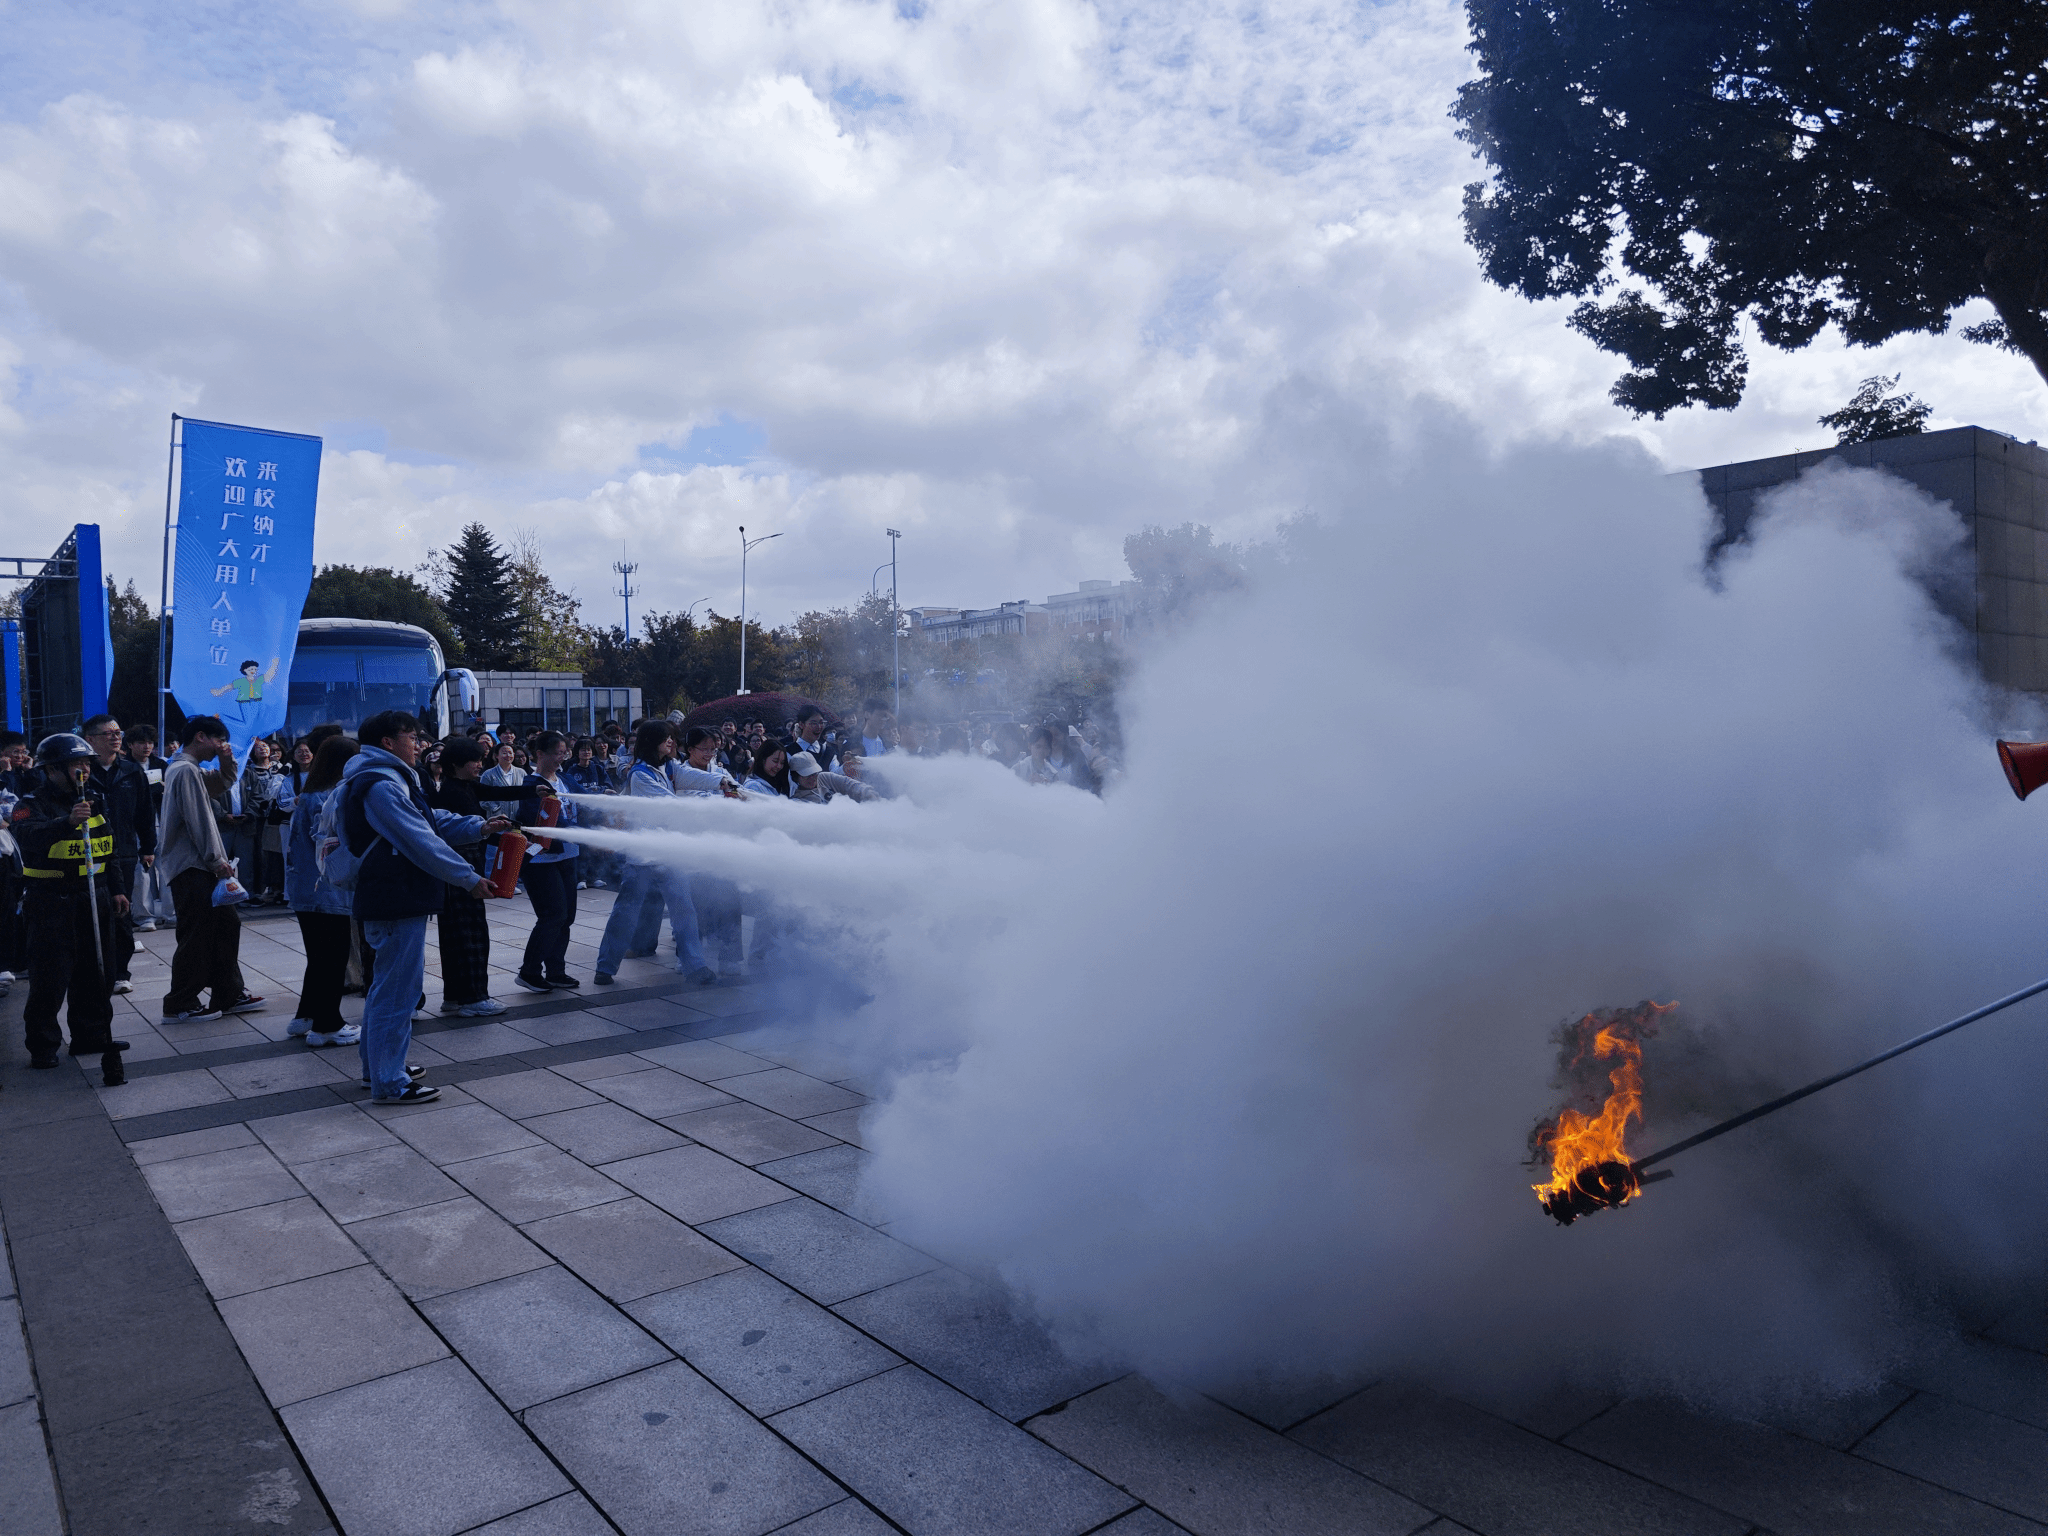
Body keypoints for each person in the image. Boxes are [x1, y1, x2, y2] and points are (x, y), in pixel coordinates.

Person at [339, 710, 506, 1104]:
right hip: (395, 896)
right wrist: (468, 878)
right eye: (411, 737)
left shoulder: (389, 777)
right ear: (387, 742)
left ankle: (378, 1067)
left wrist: (478, 826)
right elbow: (419, 838)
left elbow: (428, 819)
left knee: (389, 987)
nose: (419, 744)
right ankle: (390, 1081)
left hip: (397, 895)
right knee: (398, 991)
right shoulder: (380, 784)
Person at [13, 734, 128, 1085]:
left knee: (97, 972)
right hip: (51, 900)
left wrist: (117, 889)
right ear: (52, 770)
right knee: (50, 976)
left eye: (87, 763)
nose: (85, 770)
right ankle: (44, 1045)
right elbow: (25, 836)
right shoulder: (31, 803)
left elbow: (108, 847)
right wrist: (65, 823)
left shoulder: (95, 800)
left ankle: (91, 1035)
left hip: (95, 896)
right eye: (77, 764)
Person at [594, 721, 715, 986]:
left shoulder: (669, 766)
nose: (671, 741)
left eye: (671, 737)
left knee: (684, 910)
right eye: (665, 737)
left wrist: (722, 782)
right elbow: (666, 802)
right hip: (642, 856)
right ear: (651, 741)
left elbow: (694, 776)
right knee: (626, 912)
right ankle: (605, 967)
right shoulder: (639, 774)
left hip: (668, 852)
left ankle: (696, 966)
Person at [158, 715, 260, 1024]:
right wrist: (217, 861)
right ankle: (180, 1003)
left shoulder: (186, 769)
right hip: (192, 866)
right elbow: (199, 819)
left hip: (197, 865)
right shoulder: (185, 770)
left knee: (226, 926)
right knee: (197, 935)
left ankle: (228, 992)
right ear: (200, 736)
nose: (221, 746)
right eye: (218, 740)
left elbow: (221, 783)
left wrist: (227, 762)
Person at [283, 735, 362, 1048]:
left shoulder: (311, 793)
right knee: (332, 957)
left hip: (305, 889)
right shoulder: (329, 797)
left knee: (318, 957)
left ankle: (306, 1015)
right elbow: (330, 842)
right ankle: (327, 1025)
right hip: (327, 890)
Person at [426, 737, 508, 1017]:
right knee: (470, 934)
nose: (480, 765)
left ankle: (454, 997)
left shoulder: (463, 787)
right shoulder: (453, 793)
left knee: (454, 935)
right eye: (475, 760)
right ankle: (474, 997)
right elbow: (457, 832)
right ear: (456, 764)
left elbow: (497, 794)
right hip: (462, 868)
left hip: (456, 870)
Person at [81, 715, 154, 995]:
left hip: (123, 852)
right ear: (90, 739)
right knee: (92, 913)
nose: (115, 737)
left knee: (121, 912)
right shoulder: (82, 771)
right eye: (108, 733)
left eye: (118, 732)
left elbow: (145, 812)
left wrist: (148, 848)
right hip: (87, 854)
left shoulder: (131, 771)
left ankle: (121, 972)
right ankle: (94, 970)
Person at [510, 731, 581, 993]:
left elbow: (584, 800)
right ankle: (529, 972)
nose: (562, 758)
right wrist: (576, 831)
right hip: (541, 861)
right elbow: (543, 821)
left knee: (567, 917)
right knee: (553, 915)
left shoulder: (565, 779)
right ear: (540, 754)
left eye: (565, 753)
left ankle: (556, 971)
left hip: (567, 855)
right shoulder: (531, 785)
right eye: (557, 753)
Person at [123, 726, 173, 931]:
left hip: (161, 821)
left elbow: (169, 789)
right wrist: (156, 788)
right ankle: (145, 916)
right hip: (136, 825)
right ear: (130, 744)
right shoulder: (125, 766)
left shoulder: (160, 764)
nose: (147, 746)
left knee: (167, 868)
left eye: (150, 742)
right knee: (141, 872)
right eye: (142, 742)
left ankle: (171, 914)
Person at [240, 738, 289, 903]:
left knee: (277, 854)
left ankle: (279, 888)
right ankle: (259, 890)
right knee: (259, 854)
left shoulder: (281, 768)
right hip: (258, 818)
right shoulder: (249, 770)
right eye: (259, 747)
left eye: (266, 746)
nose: (264, 749)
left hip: (277, 816)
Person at [789, 750, 878, 805]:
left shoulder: (825, 778)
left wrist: (867, 792)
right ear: (796, 777)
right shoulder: (797, 802)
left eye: (814, 773)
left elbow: (848, 784)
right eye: (807, 775)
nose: (812, 778)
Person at [480, 740, 526, 820]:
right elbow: (483, 798)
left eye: (510, 753)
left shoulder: (521, 772)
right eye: (504, 753)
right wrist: (496, 809)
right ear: (496, 756)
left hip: (518, 820)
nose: (508, 755)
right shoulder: (488, 774)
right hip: (497, 821)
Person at [789, 704, 839, 773]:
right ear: (801, 724)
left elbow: (836, 774)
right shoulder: (789, 752)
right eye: (813, 723)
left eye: (821, 722)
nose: (819, 727)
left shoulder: (829, 752)